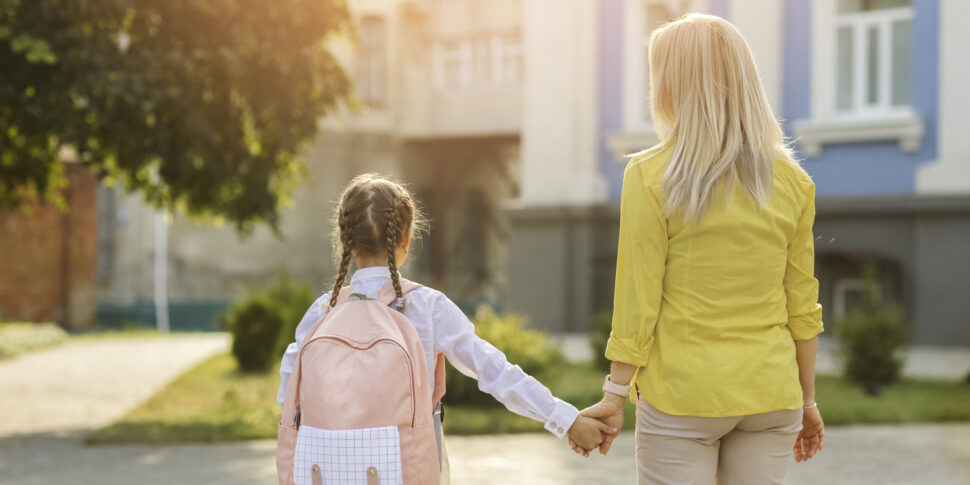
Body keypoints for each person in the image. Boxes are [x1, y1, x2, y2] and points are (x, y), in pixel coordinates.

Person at [579, 13, 826, 485]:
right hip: (772, 394)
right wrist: (808, 401)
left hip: (682, 396)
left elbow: (638, 298)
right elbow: (802, 306)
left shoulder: (651, 175)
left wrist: (614, 394)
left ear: (670, 84)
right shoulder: (794, 181)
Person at [277, 173, 614, 483]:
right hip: (402, 469)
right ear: (407, 237)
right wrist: (566, 420)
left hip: (320, 469)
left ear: (344, 240)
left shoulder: (322, 312)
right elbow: (495, 372)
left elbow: (288, 393)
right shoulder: (427, 308)